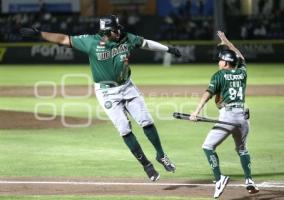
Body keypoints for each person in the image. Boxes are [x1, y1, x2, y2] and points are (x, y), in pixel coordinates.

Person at [20, 15, 181, 182]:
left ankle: (161, 155)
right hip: (106, 92)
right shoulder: (90, 42)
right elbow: (63, 39)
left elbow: (146, 43)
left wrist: (168, 49)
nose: (119, 31)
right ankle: (146, 165)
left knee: (146, 121)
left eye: (118, 28)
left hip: (127, 86)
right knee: (124, 129)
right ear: (106, 31)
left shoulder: (126, 38)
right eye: (114, 29)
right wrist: (40, 34)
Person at [189, 31, 259, 198]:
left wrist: (196, 112)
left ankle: (219, 178)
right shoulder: (242, 73)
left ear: (226, 62)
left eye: (221, 59)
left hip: (228, 117)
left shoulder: (219, 75)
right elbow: (239, 56)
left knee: (208, 147)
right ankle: (249, 180)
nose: (218, 62)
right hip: (243, 117)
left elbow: (208, 93)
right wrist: (226, 41)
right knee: (242, 149)